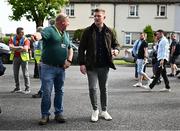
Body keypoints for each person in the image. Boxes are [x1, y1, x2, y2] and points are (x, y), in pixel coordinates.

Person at [78, 8, 120, 122]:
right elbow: (81, 48)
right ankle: (95, 110)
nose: (96, 18)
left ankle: (104, 110)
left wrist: (116, 50)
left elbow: (116, 44)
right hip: (91, 65)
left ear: (104, 18)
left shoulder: (110, 31)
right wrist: (82, 63)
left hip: (104, 65)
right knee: (92, 88)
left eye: (99, 16)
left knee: (104, 88)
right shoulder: (87, 31)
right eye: (95, 16)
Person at [32, 13, 73, 125]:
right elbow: (40, 34)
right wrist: (36, 36)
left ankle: (58, 113)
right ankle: (45, 115)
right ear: (62, 22)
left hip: (61, 69)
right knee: (47, 92)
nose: (69, 24)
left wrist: (69, 60)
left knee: (60, 91)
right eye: (68, 22)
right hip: (48, 68)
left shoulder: (65, 34)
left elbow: (70, 48)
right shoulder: (50, 30)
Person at [9, 27, 31, 94]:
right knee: (15, 73)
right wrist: (19, 47)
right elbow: (10, 48)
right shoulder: (12, 39)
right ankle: (17, 88)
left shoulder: (26, 39)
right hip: (15, 58)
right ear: (18, 34)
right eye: (22, 33)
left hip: (23, 58)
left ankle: (27, 89)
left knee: (25, 74)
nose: (23, 34)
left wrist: (15, 48)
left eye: (23, 32)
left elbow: (25, 49)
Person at [31, 27, 43, 98]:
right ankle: (42, 91)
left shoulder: (40, 41)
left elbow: (40, 50)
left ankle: (42, 92)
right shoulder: (39, 41)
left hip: (41, 61)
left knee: (43, 78)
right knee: (42, 78)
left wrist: (34, 41)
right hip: (39, 61)